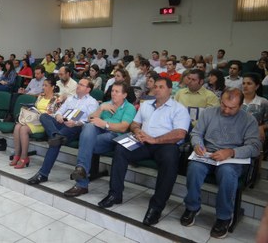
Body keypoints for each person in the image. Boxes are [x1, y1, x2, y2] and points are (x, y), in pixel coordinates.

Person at [98, 77, 190, 227]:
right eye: (156, 87)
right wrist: (137, 131)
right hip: (143, 141)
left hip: (166, 144)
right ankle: (115, 194)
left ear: (169, 90)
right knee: (121, 148)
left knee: (170, 160)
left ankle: (156, 207)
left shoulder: (179, 109)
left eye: (161, 87)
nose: (157, 89)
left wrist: (155, 140)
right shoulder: (146, 105)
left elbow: (180, 134)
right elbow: (134, 124)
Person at [180, 88, 260, 239]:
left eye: (231, 108)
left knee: (227, 172)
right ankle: (192, 207)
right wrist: (197, 144)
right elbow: (196, 133)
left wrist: (231, 152)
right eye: (223, 105)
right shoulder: (209, 113)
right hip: (208, 154)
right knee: (194, 168)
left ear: (241, 105)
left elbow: (255, 147)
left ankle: (224, 217)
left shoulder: (249, 120)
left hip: (232, 158)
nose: (226, 110)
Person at [64, 81, 136, 197]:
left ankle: (81, 182)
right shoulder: (106, 104)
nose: (113, 94)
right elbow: (90, 118)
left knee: (86, 142)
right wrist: (101, 108)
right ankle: (81, 169)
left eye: (117, 92)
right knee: (88, 126)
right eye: (112, 91)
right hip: (99, 134)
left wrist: (105, 124)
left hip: (114, 137)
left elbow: (123, 128)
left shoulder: (129, 108)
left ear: (124, 95)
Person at [27, 78, 99, 185]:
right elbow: (59, 111)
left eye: (82, 85)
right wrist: (59, 115)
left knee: (55, 143)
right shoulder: (70, 98)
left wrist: (76, 123)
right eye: (78, 83)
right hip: (61, 124)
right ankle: (55, 135)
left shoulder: (92, 102)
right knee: (44, 116)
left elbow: (89, 120)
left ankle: (43, 174)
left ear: (88, 89)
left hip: (74, 127)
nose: (78, 85)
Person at [10, 78, 59, 169]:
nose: (43, 87)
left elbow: (52, 114)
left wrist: (41, 113)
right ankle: (17, 155)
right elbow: (35, 107)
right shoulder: (41, 96)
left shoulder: (55, 99)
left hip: (43, 123)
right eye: (43, 85)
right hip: (34, 120)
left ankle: (24, 157)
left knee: (23, 129)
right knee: (17, 126)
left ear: (52, 87)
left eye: (46, 85)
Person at [242, 73, 268, 148]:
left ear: (257, 86)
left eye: (249, 83)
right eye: (243, 83)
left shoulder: (263, 102)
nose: (245, 86)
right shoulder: (236, 100)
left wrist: (262, 127)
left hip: (254, 133)